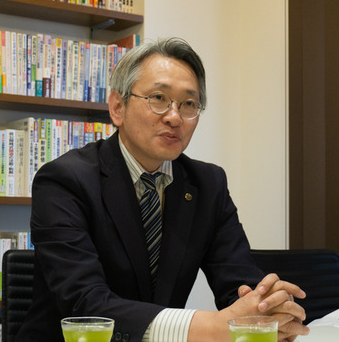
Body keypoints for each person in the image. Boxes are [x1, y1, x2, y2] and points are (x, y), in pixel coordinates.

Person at [16, 37, 311, 342]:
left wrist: (265, 308)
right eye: (158, 98)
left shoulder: (208, 184)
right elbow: (85, 304)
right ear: (117, 107)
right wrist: (213, 326)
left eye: (189, 104)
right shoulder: (65, 180)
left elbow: (238, 283)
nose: (174, 117)